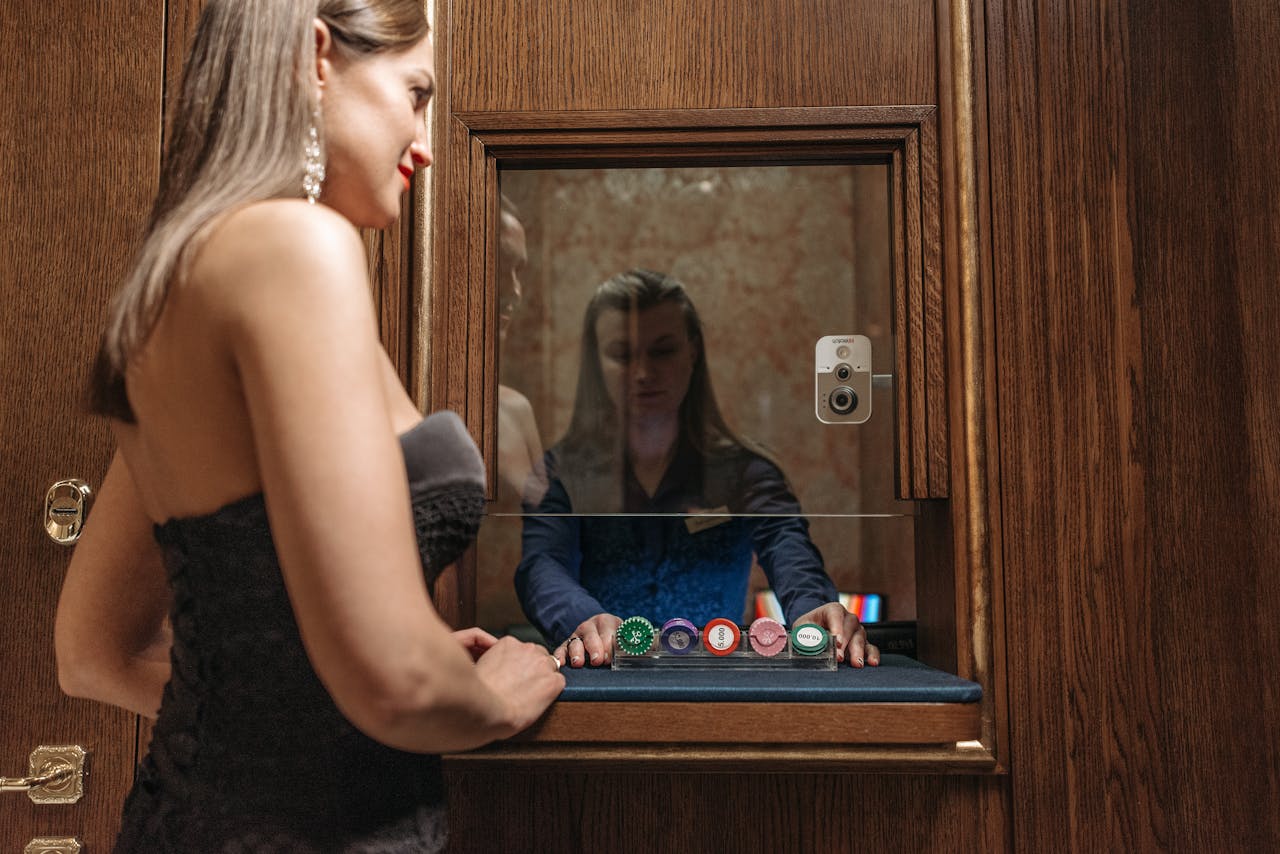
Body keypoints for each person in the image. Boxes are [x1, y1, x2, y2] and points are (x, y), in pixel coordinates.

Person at [52, 2, 562, 850]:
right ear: (317, 56)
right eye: (415, 92)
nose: (425, 141)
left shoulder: (178, 282)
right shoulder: (298, 247)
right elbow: (398, 685)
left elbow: (94, 653)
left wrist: (329, 696)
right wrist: (487, 700)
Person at [513, 269, 881, 670]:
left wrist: (813, 612)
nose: (642, 372)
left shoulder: (749, 473)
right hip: (600, 679)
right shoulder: (560, 472)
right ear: (596, 363)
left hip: (717, 684)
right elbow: (542, 564)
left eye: (663, 350)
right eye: (621, 353)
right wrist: (582, 619)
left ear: (692, 352)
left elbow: (790, 552)